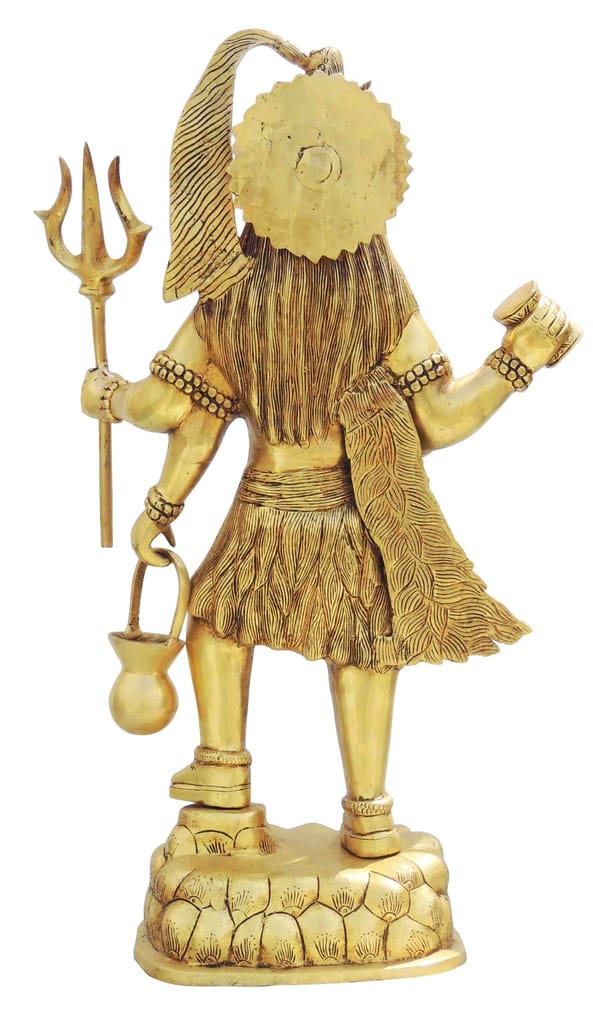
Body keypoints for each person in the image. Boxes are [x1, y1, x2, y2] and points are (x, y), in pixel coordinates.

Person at [81, 31, 577, 858]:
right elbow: (439, 421)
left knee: (215, 628)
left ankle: (223, 781)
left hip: (264, 510)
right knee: (363, 651)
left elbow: (175, 407)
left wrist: (107, 400)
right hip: (348, 517)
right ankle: (368, 816)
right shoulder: (381, 292)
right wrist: (514, 362)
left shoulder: (231, 294)